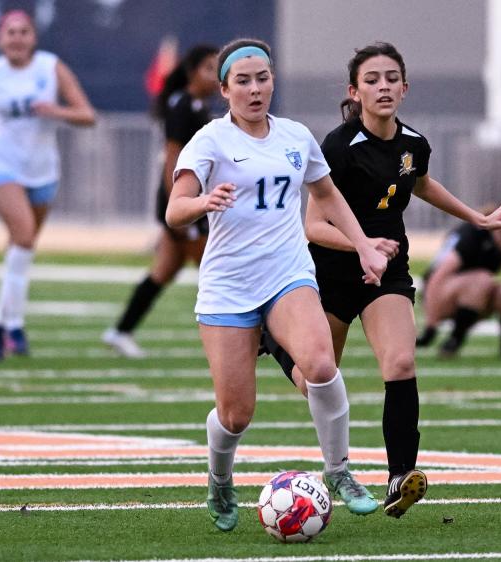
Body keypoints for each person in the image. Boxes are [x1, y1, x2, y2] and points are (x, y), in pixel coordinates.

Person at [258, 42, 501, 518]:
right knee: (317, 381)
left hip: (387, 272)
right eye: (372, 79)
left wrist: (477, 219)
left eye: (391, 78)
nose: (382, 86)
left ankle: (399, 475)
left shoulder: (414, 145)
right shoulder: (338, 147)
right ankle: (277, 341)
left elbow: (421, 184)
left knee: (401, 363)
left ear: (404, 88)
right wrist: (362, 246)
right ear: (354, 91)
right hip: (331, 271)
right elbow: (313, 226)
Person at [166, 38, 391, 532]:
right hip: (228, 286)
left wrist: (364, 247)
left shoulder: (295, 136)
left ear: (273, 81)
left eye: (262, 78)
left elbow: (327, 196)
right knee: (236, 414)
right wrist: (202, 203)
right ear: (224, 89)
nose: (254, 89)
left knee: (320, 363)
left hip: (287, 274)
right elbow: (174, 208)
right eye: (242, 81)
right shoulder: (210, 140)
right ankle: (220, 478)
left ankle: (340, 473)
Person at [0, 9, 97, 361]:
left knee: (20, 251)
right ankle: (10, 326)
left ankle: (4, 323)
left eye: (24, 32)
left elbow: (87, 114)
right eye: (10, 32)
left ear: (33, 38)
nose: (17, 38)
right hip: (1, 167)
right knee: (23, 235)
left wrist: (56, 111)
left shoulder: (50, 68)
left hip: (43, 171)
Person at [102, 44, 219, 359]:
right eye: (210, 67)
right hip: (184, 202)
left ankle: (121, 330)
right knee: (217, 266)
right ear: (193, 72)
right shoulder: (184, 106)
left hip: (187, 201)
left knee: (165, 270)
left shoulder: (197, 106)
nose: (217, 75)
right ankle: (253, 334)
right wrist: (178, 206)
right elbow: (172, 159)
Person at [416, 210, 501, 359]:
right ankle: (455, 340)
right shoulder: (474, 233)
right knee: (483, 279)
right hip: (438, 296)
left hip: (474, 297)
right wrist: (431, 327)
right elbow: (437, 278)